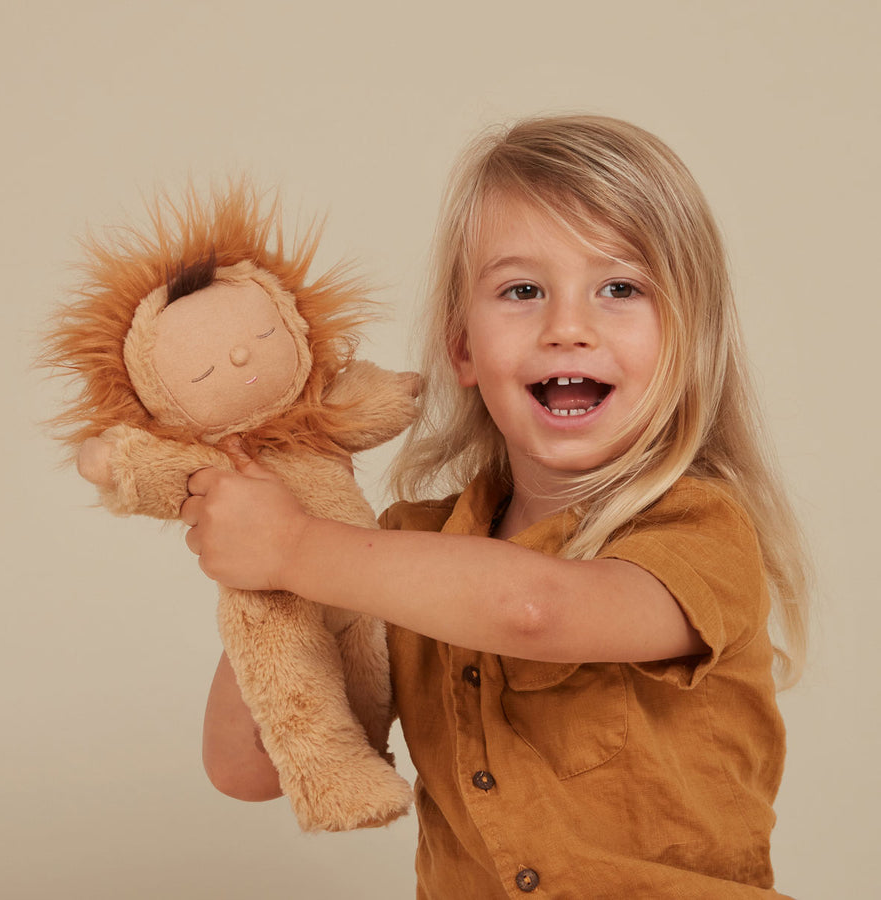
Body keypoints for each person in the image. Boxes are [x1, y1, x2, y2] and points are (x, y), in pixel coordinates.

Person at [185, 115, 809, 898]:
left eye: (621, 288)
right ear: (463, 348)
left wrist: (296, 548)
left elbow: (534, 610)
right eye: (522, 290)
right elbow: (247, 769)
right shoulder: (399, 548)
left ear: (692, 341)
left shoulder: (701, 530)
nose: (568, 328)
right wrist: (275, 548)